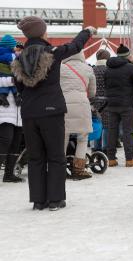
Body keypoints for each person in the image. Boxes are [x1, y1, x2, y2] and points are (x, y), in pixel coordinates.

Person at [11, 16, 96, 210]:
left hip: (30, 114)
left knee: (35, 157)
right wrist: (88, 31)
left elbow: (19, 86)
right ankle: (56, 199)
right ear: (41, 32)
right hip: (52, 112)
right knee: (56, 156)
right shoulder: (52, 52)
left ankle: (39, 201)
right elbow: (75, 46)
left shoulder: (19, 59)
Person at [104, 44, 133, 167]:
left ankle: (111, 158)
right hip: (127, 103)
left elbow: (106, 85)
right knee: (127, 131)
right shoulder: (131, 68)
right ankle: (129, 158)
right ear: (127, 55)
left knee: (112, 130)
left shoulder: (108, 68)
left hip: (111, 104)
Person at [61, 51, 96, 180]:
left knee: (63, 136)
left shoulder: (60, 68)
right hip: (82, 105)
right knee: (83, 137)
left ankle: (60, 170)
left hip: (63, 105)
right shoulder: (87, 68)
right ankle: (78, 169)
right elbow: (92, 92)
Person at [0, 34, 24, 183]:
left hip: (18, 109)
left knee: (16, 142)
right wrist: (12, 80)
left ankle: (9, 174)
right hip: (4, 107)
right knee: (5, 141)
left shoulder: (18, 61)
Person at [92, 49, 111, 153]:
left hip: (94, 101)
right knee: (106, 126)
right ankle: (106, 148)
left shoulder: (92, 70)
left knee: (97, 124)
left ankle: (96, 148)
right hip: (107, 102)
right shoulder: (108, 70)